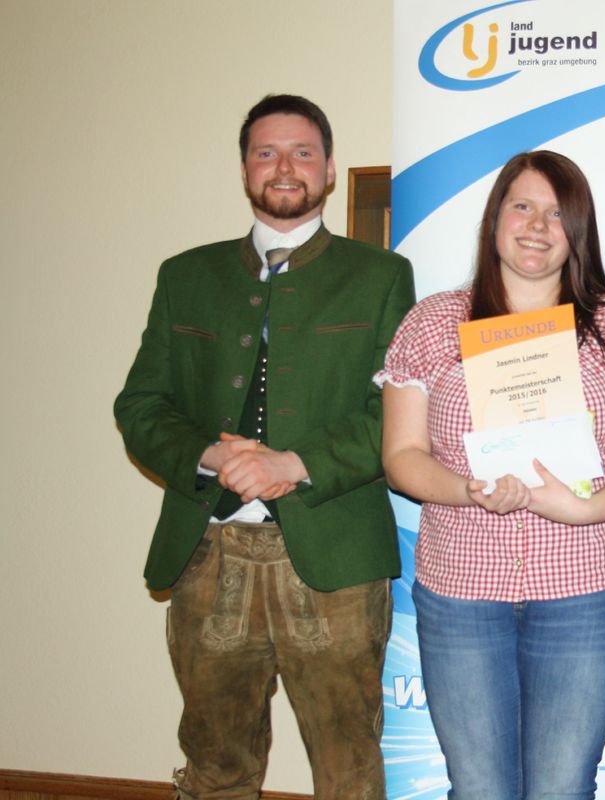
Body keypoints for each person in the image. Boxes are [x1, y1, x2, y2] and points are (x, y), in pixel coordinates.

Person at [114, 94, 415, 799]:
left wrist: (294, 464)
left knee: (348, 769)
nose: (284, 167)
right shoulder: (185, 275)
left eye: (302, 152)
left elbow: (398, 412)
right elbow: (140, 405)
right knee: (215, 766)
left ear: (330, 169)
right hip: (208, 555)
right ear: (246, 167)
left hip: (336, 561)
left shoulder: (380, 276)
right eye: (266, 152)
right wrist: (212, 455)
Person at [377, 150, 605, 798]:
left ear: (578, 231)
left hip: (585, 589)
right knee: (479, 789)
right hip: (462, 592)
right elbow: (401, 456)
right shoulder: (433, 324)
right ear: (495, 220)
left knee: (561, 789)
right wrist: (465, 490)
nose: (538, 226)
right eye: (522, 207)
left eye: (556, 214)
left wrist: (582, 508)